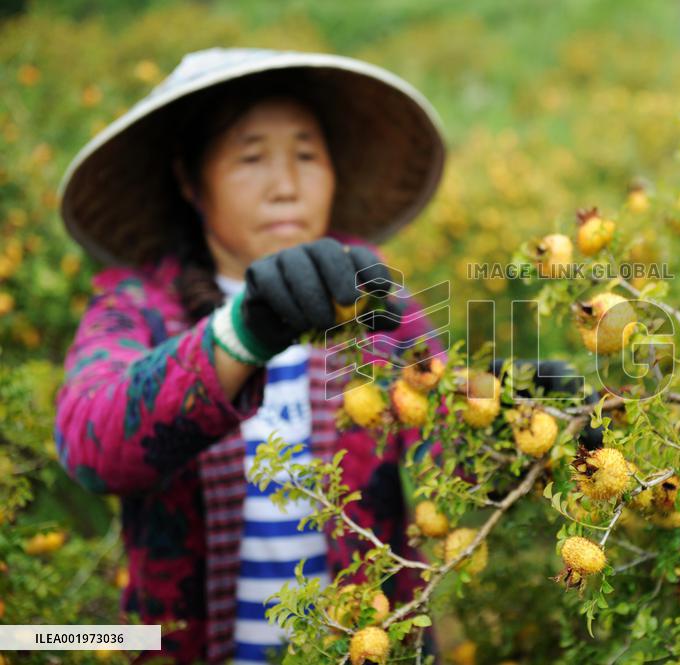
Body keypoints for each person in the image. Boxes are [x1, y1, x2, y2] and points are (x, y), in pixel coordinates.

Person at [54, 48, 449, 664]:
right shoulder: (138, 307)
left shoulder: (375, 303)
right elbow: (91, 445)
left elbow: (445, 451)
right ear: (190, 180)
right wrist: (243, 334)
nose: (285, 186)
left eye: (307, 155)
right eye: (251, 157)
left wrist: (511, 415)